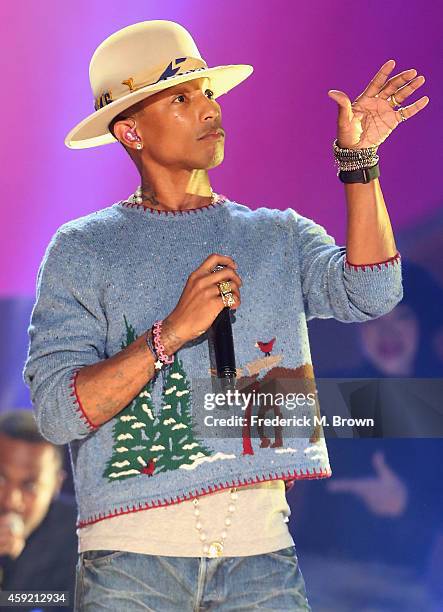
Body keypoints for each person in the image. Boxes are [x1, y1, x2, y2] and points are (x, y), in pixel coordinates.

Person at [23, 19, 428, 611]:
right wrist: (171, 333)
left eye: (208, 92)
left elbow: (372, 292)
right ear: (130, 129)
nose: (209, 108)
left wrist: (359, 161)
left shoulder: (275, 234)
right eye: (182, 98)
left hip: (262, 557)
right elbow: (59, 412)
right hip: (131, 567)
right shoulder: (82, 248)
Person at [0, 410, 77, 612]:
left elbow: (67, 601)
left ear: (56, 485)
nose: (11, 500)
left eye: (30, 486)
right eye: (0, 480)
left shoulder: (81, 536)